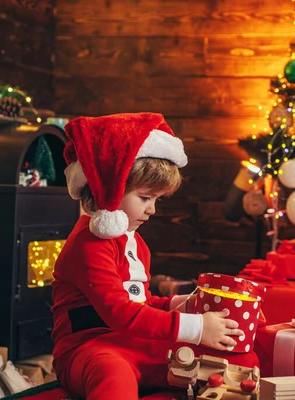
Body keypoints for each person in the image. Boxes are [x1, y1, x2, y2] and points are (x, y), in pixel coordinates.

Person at [51, 113, 258, 399]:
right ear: (109, 190)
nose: (152, 210)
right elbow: (120, 312)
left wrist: (182, 304)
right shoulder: (89, 245)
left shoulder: (135, 243)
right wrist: (196, 327)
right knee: (114, 375)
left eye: (157, 200)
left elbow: (141, 303)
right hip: (88, 348)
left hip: (135, 342)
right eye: (145, 198)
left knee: (230, 361)